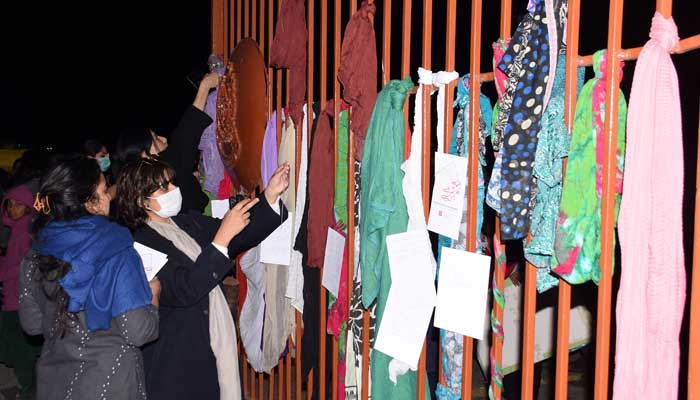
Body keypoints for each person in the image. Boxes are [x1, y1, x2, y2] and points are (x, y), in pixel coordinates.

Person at [116, 157, 290, 400]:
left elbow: (238, 235)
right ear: (140, 200)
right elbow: (183, 289)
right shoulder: (139, 244)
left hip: (211, 341)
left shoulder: (186, 222)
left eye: (172, 183)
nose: (174, 190)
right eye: (164, 187)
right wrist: (221, 239)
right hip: (179, 357)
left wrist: (270, 195)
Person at [18, 156, 160, 400]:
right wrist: (153, 295)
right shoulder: (116, 247)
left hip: (55, 381)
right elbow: (138, 331)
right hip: (109, 382)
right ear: (89, 202)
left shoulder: (36, 251)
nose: (108, 198)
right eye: (104, 191)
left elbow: (32, 324)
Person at [114, 72, 221, 214]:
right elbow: (186, 133)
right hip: (205, 217)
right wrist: (204, 86)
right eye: (156, 138)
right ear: (144, 154)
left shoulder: (142, 181)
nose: (163, 139)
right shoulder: (165, 165)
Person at [0, 184, 42, 400]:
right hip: (14, 297)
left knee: (20, 350)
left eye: (20, 205)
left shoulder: (26, 231)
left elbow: (21, 267)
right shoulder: (18, 230)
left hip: (19, 300)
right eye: (11, 204)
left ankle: (28, 391)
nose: (14, 209)